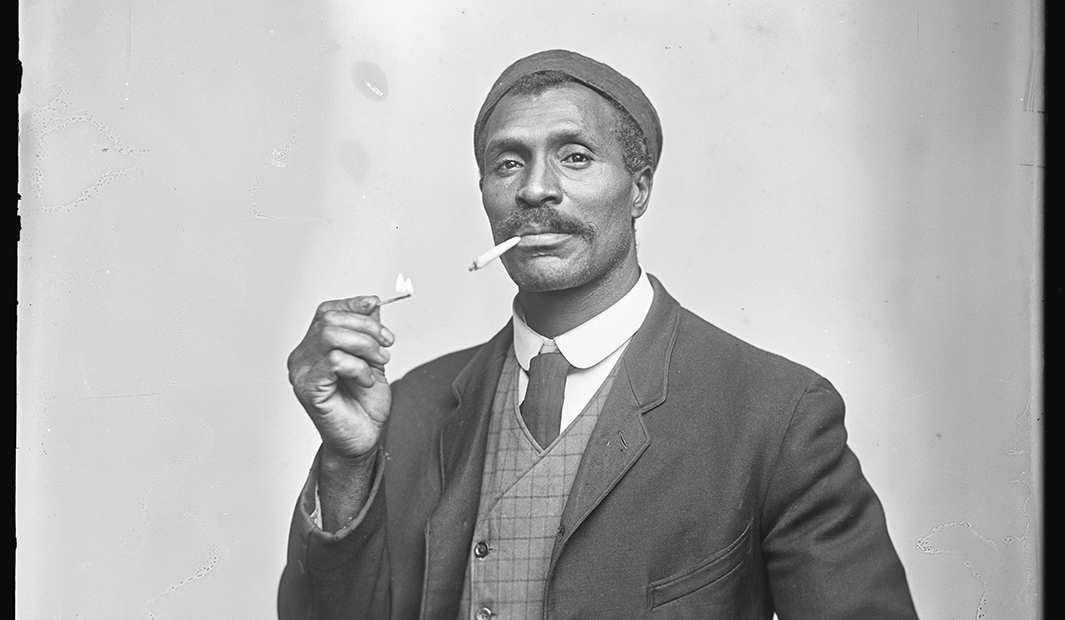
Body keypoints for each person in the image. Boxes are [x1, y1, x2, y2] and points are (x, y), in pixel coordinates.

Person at [278, 49, 919, 619]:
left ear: (639, 188)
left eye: (575, 158)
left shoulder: (775, 414)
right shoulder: (412, 405)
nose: (535, 189)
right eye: (508, 163)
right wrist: (348, 461)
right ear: (485, 194)